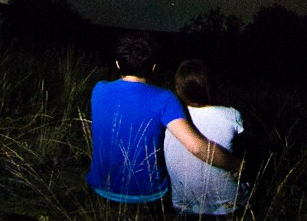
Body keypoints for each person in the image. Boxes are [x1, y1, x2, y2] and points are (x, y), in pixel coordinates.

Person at [86, 32, 241, 205]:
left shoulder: (99, 89)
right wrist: (237, 164)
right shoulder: (165, 99)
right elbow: (196, 147)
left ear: (117, 64)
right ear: (153, 67)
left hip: (100, 190)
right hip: (149, 196)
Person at [163, 58, 249, 215]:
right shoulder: (231, 115)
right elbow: (243, 155)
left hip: (182, 206)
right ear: (212, 86)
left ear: (179, 88)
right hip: (229, 206)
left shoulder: (172, 119)